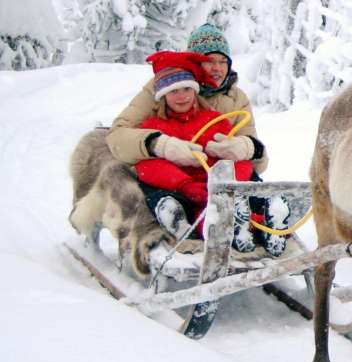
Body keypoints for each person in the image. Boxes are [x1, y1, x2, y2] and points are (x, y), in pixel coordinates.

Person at [106, 24, 286, 258]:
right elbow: (117, 135)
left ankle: (265, 217)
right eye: (209, 60)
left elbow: (256, 161)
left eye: (223, 61)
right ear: (193, 62)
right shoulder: (163, 85)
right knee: (157, 188)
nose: (217, 68)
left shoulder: (235, 99)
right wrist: (159, 144)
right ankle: (202, 222)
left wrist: (247, 147)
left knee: (244, 183)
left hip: (217, 173)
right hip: (177, 175)